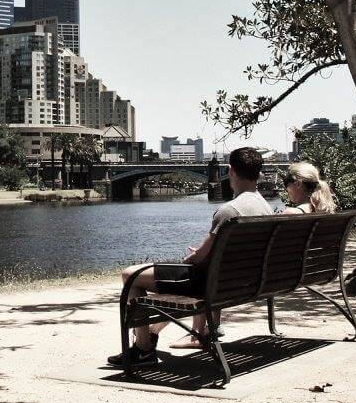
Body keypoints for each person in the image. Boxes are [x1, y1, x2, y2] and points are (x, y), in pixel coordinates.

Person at [107, 147, 272, 366]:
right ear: (258, 173)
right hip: (243, 282)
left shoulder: (229, 211)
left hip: (211, 283)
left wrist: (191, 258)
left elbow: (197, 259)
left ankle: (143, 350)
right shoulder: (266, 207)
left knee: (131, 275)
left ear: (230, 171)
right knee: (157, 277)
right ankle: (151, 333)